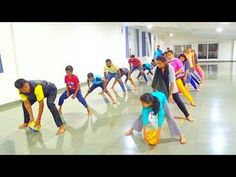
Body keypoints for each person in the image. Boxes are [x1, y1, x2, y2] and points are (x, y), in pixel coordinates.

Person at [151, 56, 194, 122]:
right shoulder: (155, 69)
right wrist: (154, 91)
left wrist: (170, 95)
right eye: (157, 63)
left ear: (164, 62)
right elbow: (154, 81)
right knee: (157, 101)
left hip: (171, 87)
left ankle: (187, 115)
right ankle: (156, 113)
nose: (158, 65)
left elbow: (172, 82)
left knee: (178, 100)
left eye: (160, 63)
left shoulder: (170, 68)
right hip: (160, 88)